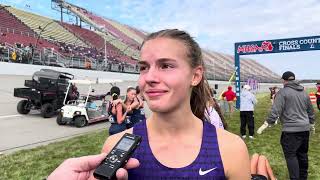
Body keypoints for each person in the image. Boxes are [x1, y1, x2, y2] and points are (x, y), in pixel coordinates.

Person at [48, 29, 252, 179]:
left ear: (195, 76)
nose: (150, 77)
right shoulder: (116, 145)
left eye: (166, 65)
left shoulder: (230, 149)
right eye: (144, 67)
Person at [265, 71, 315, 180]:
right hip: (305, 129)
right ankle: (303, 177)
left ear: (284, 80)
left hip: (291, 131)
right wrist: (311, 122)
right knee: (302, 154)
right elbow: (311, 111)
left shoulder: (283, 92)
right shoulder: (304, 92)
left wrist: (269, 122)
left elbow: (275, 110)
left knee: (291, 156)